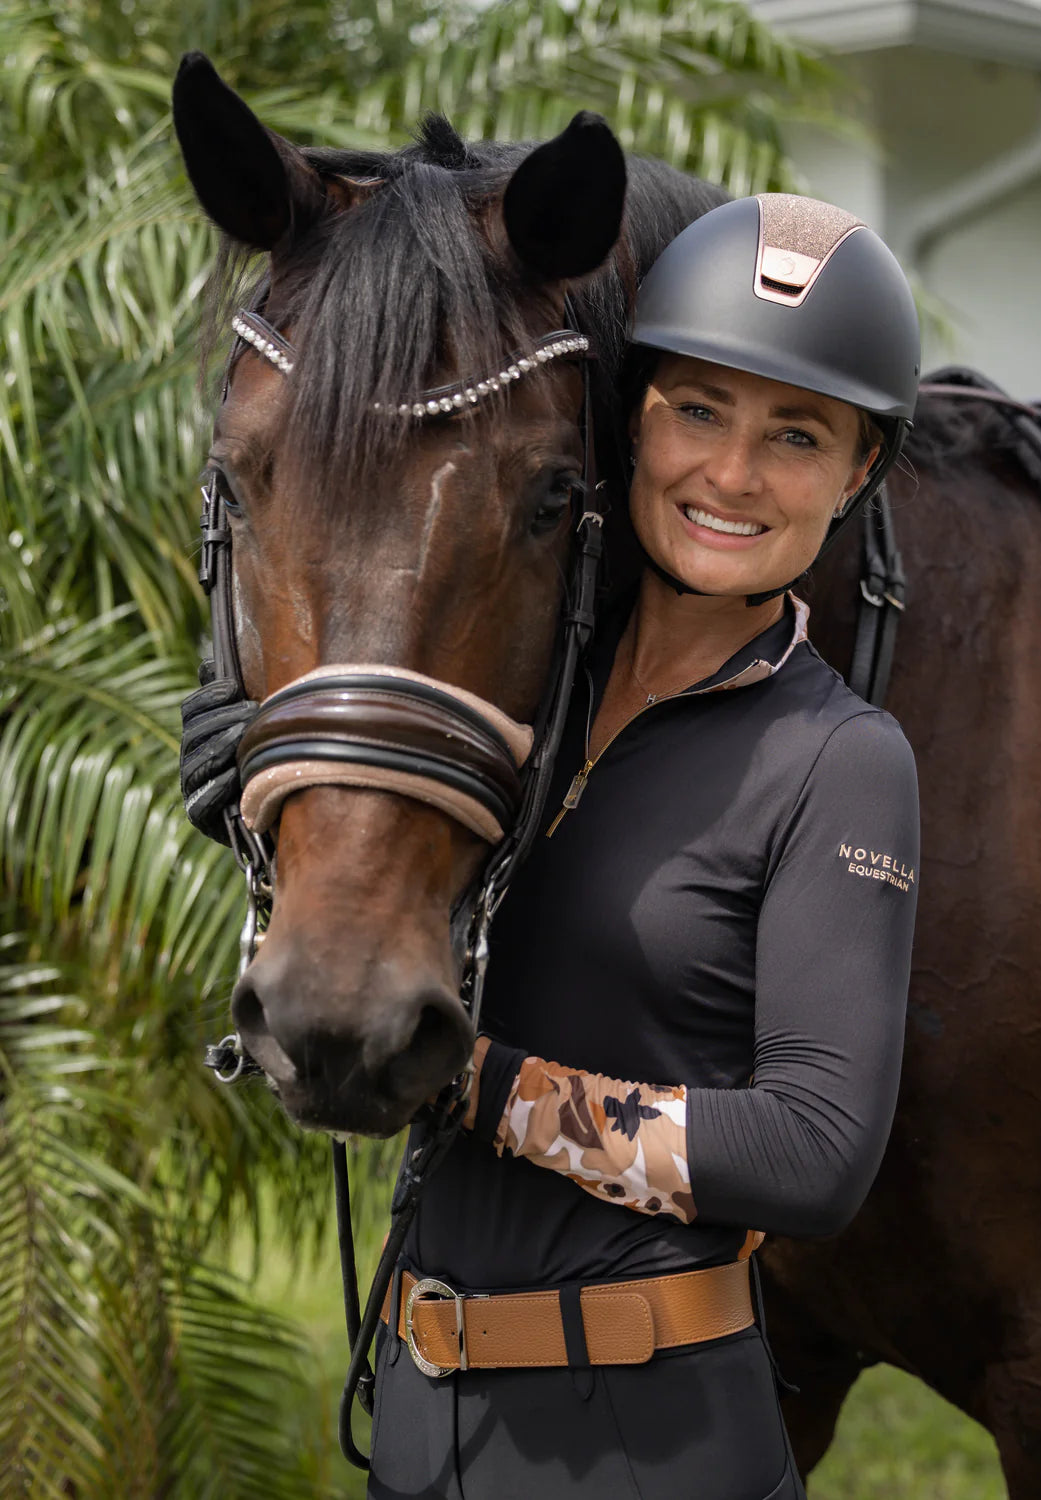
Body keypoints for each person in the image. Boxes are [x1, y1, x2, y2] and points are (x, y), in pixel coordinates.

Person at [182, 191, 921, 1499]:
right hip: (420, 1417)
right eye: (699, 410)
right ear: (630, 417)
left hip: (646, 1442)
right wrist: (263, 768)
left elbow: (813, 1154)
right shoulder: (527, 723)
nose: (732, 474)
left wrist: (477, 1082)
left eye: (795, 436)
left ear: (856, 473)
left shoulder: (839, 760)